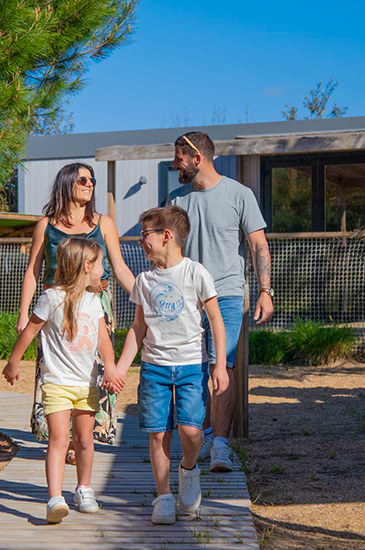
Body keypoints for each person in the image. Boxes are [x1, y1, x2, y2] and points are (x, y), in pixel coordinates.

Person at [106, 205, 229, 525]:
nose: (140, 241)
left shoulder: (196, 273)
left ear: (166, 236)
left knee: (191, 430)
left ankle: (188, 469)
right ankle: (163, 496)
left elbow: (216, 320)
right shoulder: (144, 280)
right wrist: (120, 368)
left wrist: (219, 365)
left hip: (191, 366)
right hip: (154, 368)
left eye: (144, 234)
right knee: (158, 434)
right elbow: (138, 328)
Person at [167, 131, 274, 473]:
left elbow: (258, 244)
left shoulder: (239, 195)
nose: (175, 165)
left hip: (227, 294)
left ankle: (221, 446)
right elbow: (168, 251)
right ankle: (200, 439)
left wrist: (265, 290)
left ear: (197, 158)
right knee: (192, 369)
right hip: (187, 298)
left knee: (221, 367)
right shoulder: (176, 199)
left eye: (179, 158)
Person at [17, 162, 135, 461]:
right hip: (55, 307)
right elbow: (32, 271)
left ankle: (84, 439)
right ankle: (62, 438)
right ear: (67, 182)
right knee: (57, 368)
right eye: (82, 179)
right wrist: (23, 313)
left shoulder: (104, 224)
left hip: (96, 304)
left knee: (94, 369)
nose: (89, 183)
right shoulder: (45, 226)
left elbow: (119, 267)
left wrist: (145, 297)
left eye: (92, 179)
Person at [3, 238, 117, 524]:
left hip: (88, 384)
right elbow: (30, 331)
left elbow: (103, 340)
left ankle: (84, 489)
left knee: (84, 440)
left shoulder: (94, 302)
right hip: (56, 383)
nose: (103, 270)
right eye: (100, 264)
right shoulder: (51, 298)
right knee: (59, 439)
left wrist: (112, 369)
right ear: (86, 266)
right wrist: (13, 362)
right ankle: (55, 498)